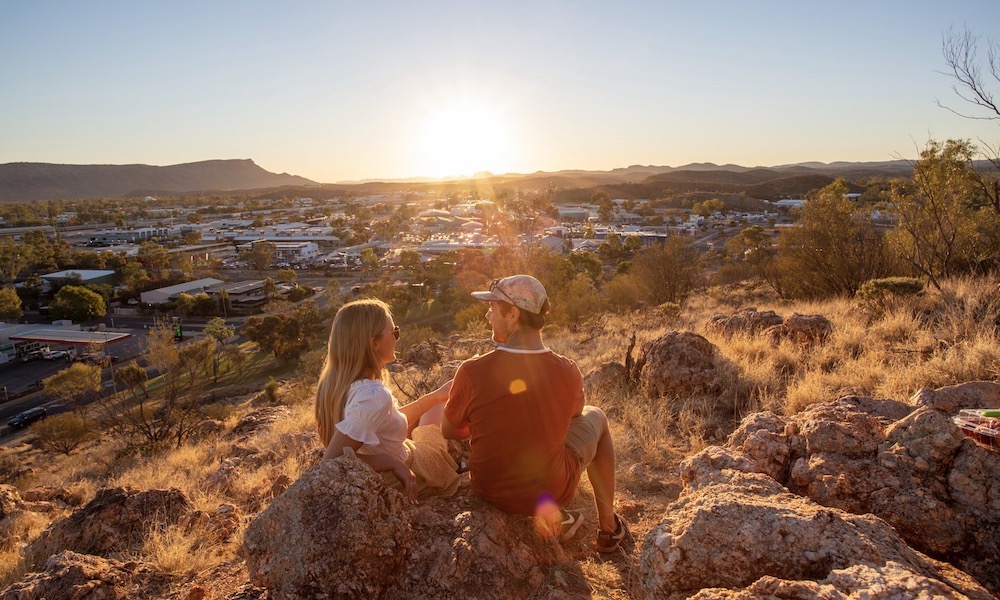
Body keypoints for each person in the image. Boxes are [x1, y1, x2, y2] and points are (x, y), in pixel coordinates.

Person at [442, 275, 627, 552]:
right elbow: (575, 414)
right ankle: (609, 528)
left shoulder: (471, 371)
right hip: (550, 489)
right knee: (596, 416)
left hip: (488, 489)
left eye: (493, 308)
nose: (487, 314)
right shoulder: (567, 370)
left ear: (513, 313)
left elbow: (449, 431)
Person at [316, 298, 459, 502]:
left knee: (434, 406)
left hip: (396, 456)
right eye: (394, 333)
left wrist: (435, 396)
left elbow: (387, 420)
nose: (397, 339)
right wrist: (391, 462)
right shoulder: (372, 397)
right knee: (436, 427)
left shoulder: (340, 384)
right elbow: (332, 461)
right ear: (374, 344)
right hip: (407, 469)